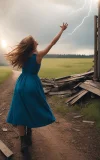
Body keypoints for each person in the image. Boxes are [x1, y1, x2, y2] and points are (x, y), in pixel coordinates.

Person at [5, 22, 68, 154]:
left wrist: (33, 44)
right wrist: (62, 30)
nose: (36, 41)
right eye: (35, 41)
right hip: (33, 84)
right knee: (32, 109)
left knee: (21, 111)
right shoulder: (38, 56)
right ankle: (29, 133)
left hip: (21, 84)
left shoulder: (23, 56)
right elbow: (52, 43)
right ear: (33, 45)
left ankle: (23, 142)